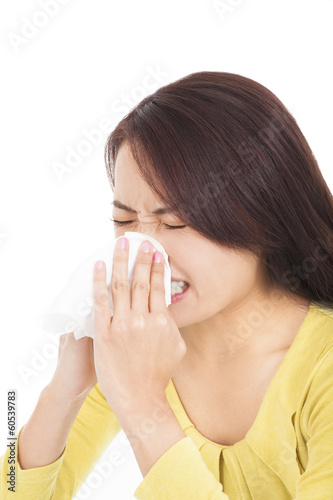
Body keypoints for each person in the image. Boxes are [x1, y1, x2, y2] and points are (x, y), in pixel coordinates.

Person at [1, 71, 333, 499]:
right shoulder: (143, 347)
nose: (144, 252)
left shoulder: (320, 368)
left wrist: (145, 409)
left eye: (175, 222)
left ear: (262, 212)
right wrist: (64, 391)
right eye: (124, 221)